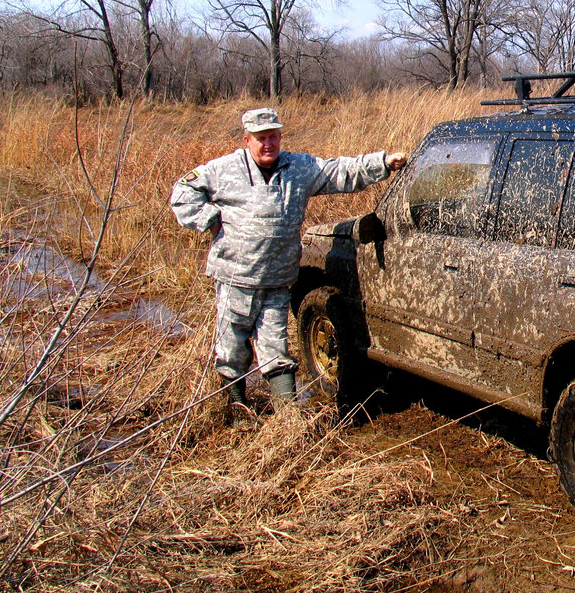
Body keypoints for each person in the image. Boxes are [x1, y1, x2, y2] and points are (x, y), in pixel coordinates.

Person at [170, 107, 407, 420]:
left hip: (279, 279)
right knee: (232, 348)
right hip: (236, 278)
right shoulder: (224, 169)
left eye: (273, 136)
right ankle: (236, 412)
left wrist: (382, 163)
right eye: (260, 138)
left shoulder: (298, 168)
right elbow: (183, 191)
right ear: (247, 140)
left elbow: (339, 171)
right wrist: (209, 219)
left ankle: (287, 418)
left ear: (280, 137)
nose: (268, 143)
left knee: (276, 348)